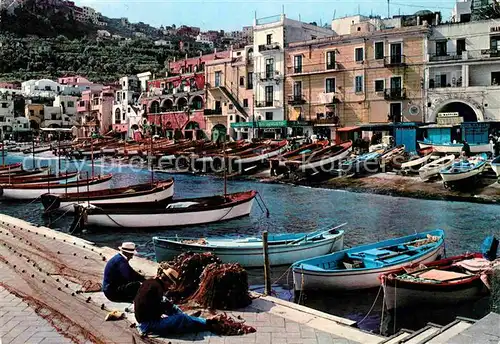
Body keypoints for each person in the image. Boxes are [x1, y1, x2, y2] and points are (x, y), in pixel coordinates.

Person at [134, 266, 216, 337]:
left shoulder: (150, 282)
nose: (169, 287)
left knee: (170, 305)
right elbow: (159, 308)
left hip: (143, 319)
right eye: (170, 284)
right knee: (181, 318)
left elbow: (155, 305)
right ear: (166, 281)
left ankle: (189, 318)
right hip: (148, 324)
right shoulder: (157, 288)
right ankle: (206, 322)